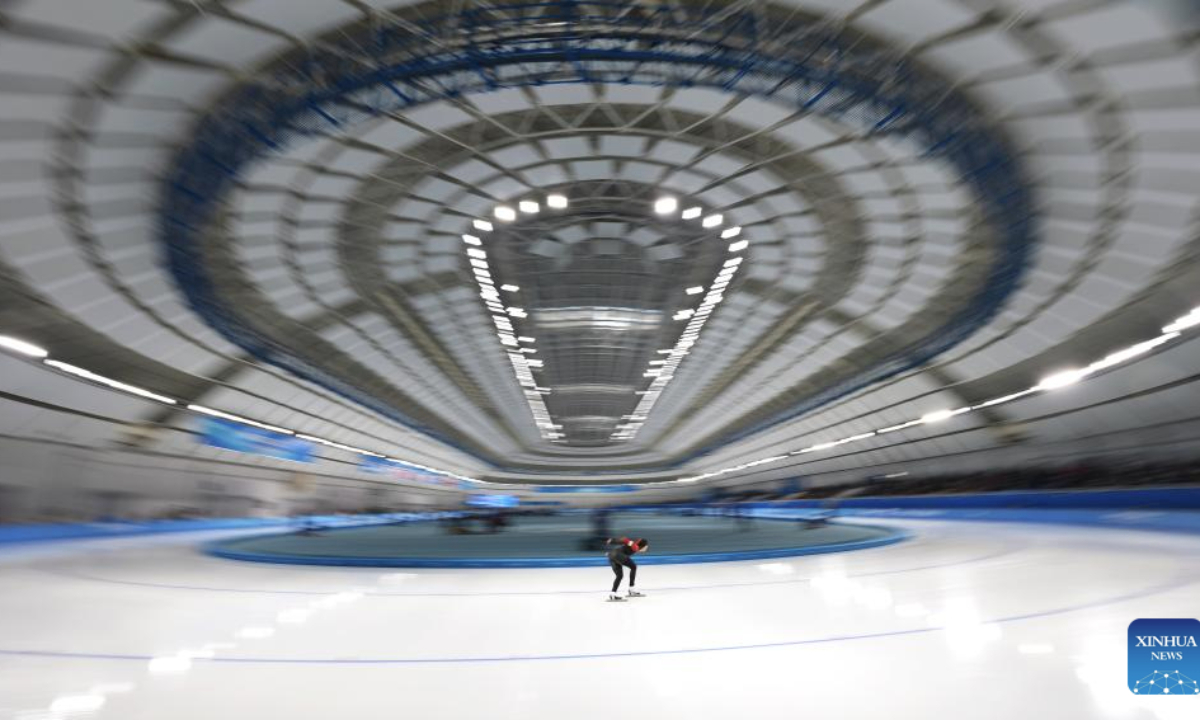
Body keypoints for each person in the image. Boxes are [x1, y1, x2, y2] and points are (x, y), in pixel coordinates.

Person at [605, 536, 648, 601]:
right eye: (646, 547)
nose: (646, 549)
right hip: (617, 555)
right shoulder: (635, 546)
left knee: (619, 576)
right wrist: (612, 540)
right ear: (642, 546)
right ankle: (631, 589)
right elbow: (625, 540)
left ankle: (612, 594)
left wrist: (612, 541)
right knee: (633, 567)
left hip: (611, 555)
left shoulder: (635, 546)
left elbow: (625, 542)